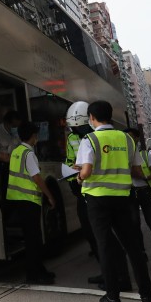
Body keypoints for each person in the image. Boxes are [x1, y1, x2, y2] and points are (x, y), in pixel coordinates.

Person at [76, 101, 151, 302]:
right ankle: (147, 296)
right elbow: (137, 171)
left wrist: (79, 177)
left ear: (92, 117)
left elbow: (86, 172)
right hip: (124, 198)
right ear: (110, 116)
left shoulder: (89, 139)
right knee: (133, 247)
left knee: (105, 246)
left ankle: (113, 297)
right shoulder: (127, 139)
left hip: (97, 199)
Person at [6, 122, 58, 285]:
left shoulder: (16, 151)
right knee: (33, 239)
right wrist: (49, 196)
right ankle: (34, 275)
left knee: (31, 238)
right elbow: (36, 178)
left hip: (17, 200)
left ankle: (39, 270)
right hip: (29, 201)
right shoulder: (29, 154)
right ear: (33, 136)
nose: (37, 138)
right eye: (36, 135)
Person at [65, 101, 98, 260]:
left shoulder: (95, 136)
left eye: (80, 127)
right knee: (85, 224)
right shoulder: (71, 138)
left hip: (94, 185)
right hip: (81, 185)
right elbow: (70, 159)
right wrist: (71, 174)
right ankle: (95, 248)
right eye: (74, 127)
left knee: (100, 225)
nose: (77, 130)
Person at [126, 128, 151, 258]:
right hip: (130, 194)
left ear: (137, 139)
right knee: (134, 224)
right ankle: (141, 252)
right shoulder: (122, 156)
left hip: (144, 192)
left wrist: (143, 176)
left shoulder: (145, 155)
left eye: (131, 137)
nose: (128, 140)